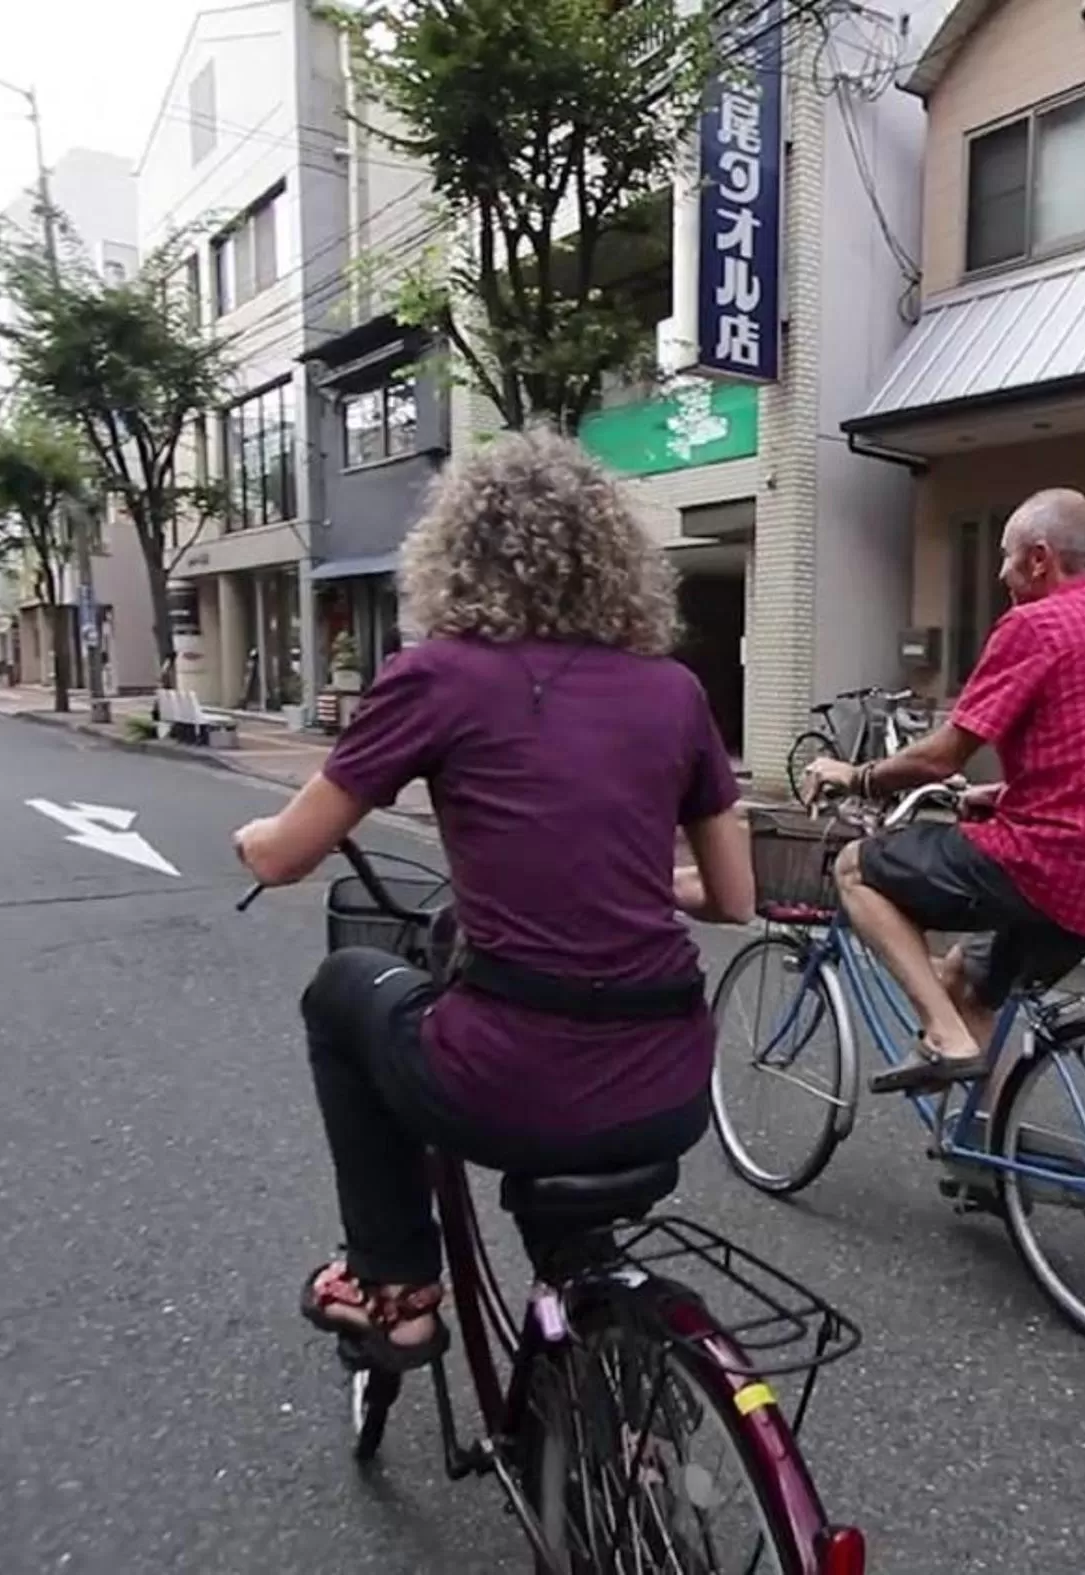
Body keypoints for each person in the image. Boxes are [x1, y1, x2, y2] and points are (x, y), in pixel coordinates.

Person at [233, 429, 756, 1370]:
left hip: (509, 1075)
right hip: (672, 1081)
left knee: (345, 990)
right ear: (612, 560)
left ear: (457, 552)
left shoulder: (436, 677)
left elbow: (282, 857)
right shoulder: (675, 692)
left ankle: (395, 1286)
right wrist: (648, 886)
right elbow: (732, 896)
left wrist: (252, 839)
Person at [804, 488, 1085, 1093]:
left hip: (1042, 864)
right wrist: (1001, 797)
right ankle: (984, 1164)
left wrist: (859, 775)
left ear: (1039, 558)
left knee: (855, 869)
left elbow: (945, 754)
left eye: (1005, 557)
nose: (1000, 572)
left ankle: (943, 1038)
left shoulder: (1036, 624)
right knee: (972, 986)